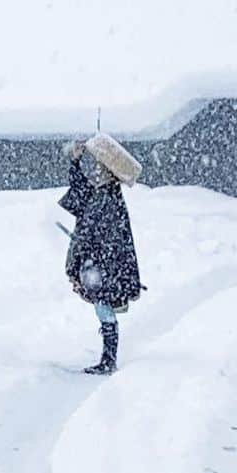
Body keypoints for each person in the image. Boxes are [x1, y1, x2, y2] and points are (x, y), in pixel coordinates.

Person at [58, 133, 144, 375]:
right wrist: (75, 162)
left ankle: (109, 359)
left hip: (106, 265)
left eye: (98, 167)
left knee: (104, 307)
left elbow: (105, 232)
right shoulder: (101, 193)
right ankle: (108, 358)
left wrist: (89, 248)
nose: (94, 171)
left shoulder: (110, 197)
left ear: (108, 171)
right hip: (101, 263)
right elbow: (80, 192)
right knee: (101, 306)